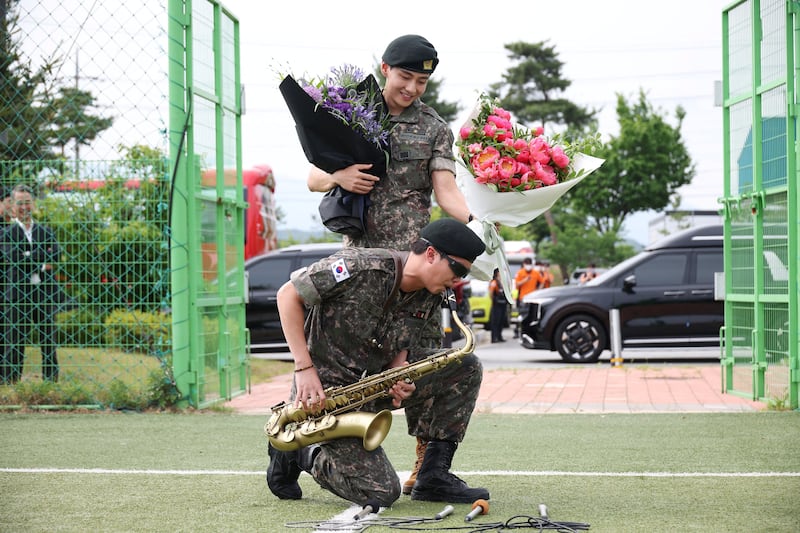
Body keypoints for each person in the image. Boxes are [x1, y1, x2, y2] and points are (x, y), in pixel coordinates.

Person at [306, 34, 476, 493]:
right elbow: (312, 176)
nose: (413, 88)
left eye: (422, 81)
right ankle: (304, 444)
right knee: (343, 369)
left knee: (420, 365)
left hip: (418, 271)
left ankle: (432, 471)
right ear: (385, 68)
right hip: (362, 270)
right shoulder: (350, 111)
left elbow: (446, 192)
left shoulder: (435, 128)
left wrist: (482, 225)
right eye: (406, 77)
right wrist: (338, 175)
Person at [266, 218, 490, 507]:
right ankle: (301, 453)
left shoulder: (432, 293)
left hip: (373, 385)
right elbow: (288, 294)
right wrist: (303, 368)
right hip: (323, 392)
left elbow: (405, 342)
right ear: (432, 254)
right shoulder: (360, 266)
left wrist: (400, 375)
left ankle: (433, 475)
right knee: (381, 492)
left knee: (465, 366)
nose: (459, 279)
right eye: (457, 269)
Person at [0, 185, 63, 383]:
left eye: (27, 202)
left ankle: (51, 381)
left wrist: (27, 257)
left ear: (33, 204)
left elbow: (56, 255)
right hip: (17, 296)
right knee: (15, 341)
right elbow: (13, 259)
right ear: (12, 207)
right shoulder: (6, 233)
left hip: (43, 294)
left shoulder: (46, 231)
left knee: (48, 340)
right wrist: (42, 262)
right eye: (19, 203)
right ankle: (11, 382)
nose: (24, 207)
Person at [512, 258, 541, 339]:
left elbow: (541, 282)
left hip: (534, 298)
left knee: (533, 317)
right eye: (527, 264)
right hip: (523, 298)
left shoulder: (536, 273)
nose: (528, 266)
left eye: (529, 264)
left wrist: (538, 291)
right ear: (524, 264)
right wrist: (525, 280)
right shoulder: (520, 273)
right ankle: (520, 332)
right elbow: (517, 285)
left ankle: (530, 333)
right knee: (523, 316)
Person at [488, 268, 508, 343]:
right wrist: (494, 300)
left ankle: (499, 336)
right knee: (495, 321)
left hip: (503, 304)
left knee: (501, 321)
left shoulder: (502, 281)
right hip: (496, 305)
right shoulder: (494, 282)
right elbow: (491, 293)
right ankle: (494, 337)